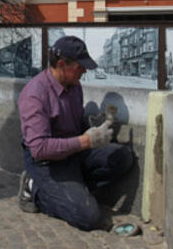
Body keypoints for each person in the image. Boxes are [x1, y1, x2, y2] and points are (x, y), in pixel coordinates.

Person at [17, 35, 133, 231]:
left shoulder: (74, 86)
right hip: (47, 163)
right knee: (87, 217)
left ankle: (71, 191)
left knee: (122, 157)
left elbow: (74, 127)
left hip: (73, 153)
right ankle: (35, 188)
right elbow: (39, 149)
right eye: (80, 66)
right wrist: (87, 141)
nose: (85, 70)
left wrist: (92, 127)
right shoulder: (35, 94)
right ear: (62, 64)